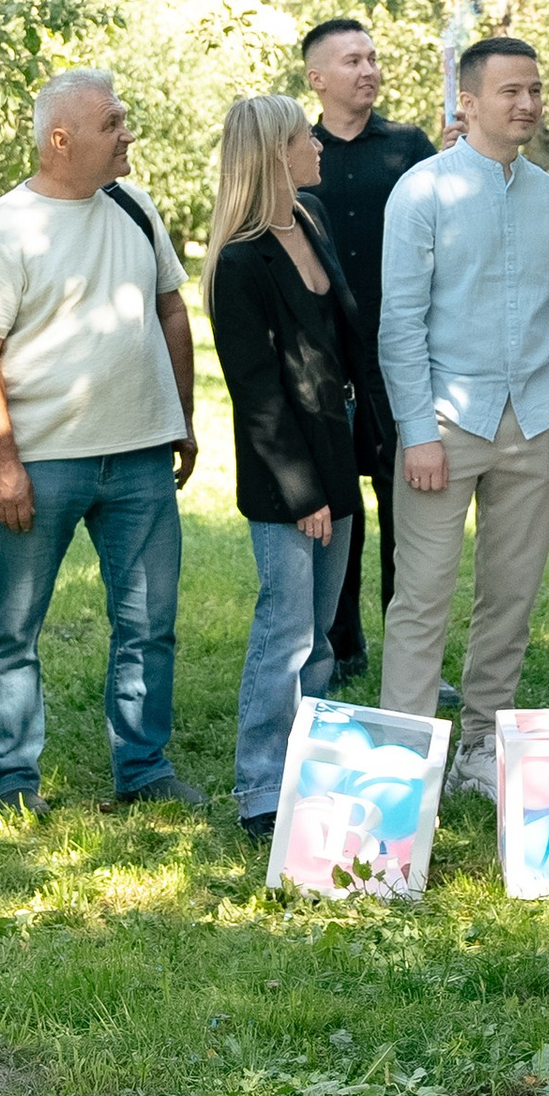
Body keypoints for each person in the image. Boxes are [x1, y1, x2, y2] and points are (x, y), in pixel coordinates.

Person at [375, 34, 549, 796]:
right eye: (511, 91)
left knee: (510, 600)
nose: (528, 103)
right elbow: (399, 324)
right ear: (467, 104)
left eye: (535, 90)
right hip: (445, 425)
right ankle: (407, 763)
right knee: (423, 598)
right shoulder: (423, 192)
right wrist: (418, 433)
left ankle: (477, 751)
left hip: (534, 424)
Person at [0, 70, 200, 816]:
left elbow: (172, 311)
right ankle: (12, 780)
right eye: (113, 123)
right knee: (12, 628)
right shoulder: (2, 228)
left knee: (149, 623)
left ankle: (144, 768)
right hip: (42, 462)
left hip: (140, 458)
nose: (128, 134)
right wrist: (3, 465)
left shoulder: (134, 204)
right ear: (61, 140)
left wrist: (181, 419)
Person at [207, 92, 363, 836]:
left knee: (325, 633)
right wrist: (303, 491)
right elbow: (257, 393)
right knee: (287, 631)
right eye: (307, 138)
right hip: (283, 475)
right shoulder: (239, 263)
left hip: (339, 451)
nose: (320, 147)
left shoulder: (310, 220)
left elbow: (342, 345)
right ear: (275, 153)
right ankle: (261, 791)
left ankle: (315, 768)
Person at [300, 17, 434, 678]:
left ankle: (410, 657)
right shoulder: (297, 157)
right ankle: (341, 645)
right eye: (352, 60)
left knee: (406, 513)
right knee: (338, 508)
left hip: (401, 359)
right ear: (316, 78)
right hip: (323, 366)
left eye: (373, 58)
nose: (368, 70)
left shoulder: (411, 148)